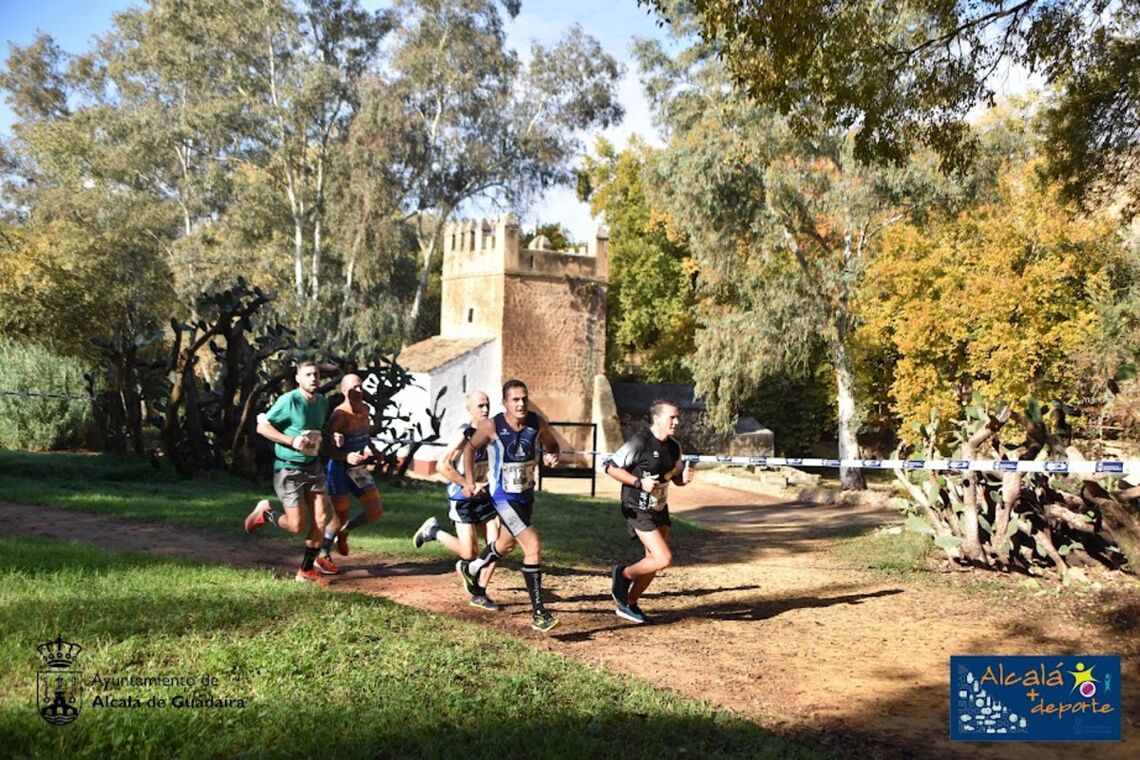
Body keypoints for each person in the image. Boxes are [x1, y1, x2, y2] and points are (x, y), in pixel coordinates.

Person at [456, 379, 561, 632]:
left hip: (525, 495)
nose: (521, 403)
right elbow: (469, 451)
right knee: (532, 544)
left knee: (505, 544)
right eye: (515, 399)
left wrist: (552, 454)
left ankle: (471, 567)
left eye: (524, 398)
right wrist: (469, 481)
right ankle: (539, 613)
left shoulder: (537, 423)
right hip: (502, 496)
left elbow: (553, 444)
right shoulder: (492, 425)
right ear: (505, 403)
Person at [603, 399, 694, 623]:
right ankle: (622, 575)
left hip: (659, 508)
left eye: (677, 417)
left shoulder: (674, 447)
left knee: (652, 562)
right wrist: (638, 483)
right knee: (663, 558)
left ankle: (628, 604)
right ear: (658, 418)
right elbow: (610, 467)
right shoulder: (640, 442)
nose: (676, 421)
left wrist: (684, 479)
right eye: (672, 417)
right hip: (637, 507)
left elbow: (675, 478)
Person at [244, 360, 333, 582]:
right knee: (296, 526)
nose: (314, 378)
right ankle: (265, 513)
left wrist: (333, 436)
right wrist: (290, 440)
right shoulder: (289, 401)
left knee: (322, 518)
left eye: (317, 374)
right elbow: (262, 426)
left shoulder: (322, 402)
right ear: (298, 378)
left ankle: (305, 571)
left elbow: (317, 431)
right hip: (288, 469)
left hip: (313, 467)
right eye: (309, 375)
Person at [412, 390, 502, 611]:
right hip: (462, 497)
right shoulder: (463, 433)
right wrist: (467, 484)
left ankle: (479, 591)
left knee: (497, 544)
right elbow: (442, 465)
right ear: (469, 408)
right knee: (468, 553)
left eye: (487, 404)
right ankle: (434, 532)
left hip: (484, 496)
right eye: (480, 405)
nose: (485, 409)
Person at [318, 373, 383, 570]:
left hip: (358, 469)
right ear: (344, 391)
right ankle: (323, 553)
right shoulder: (339, 415)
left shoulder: (365, 410)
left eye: (360, 387)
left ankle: (345, 532)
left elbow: (365, 435)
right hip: (338, 469)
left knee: (375, 510)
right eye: (354, 387)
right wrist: (345, 457)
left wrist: (373, 448)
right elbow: (325, 448)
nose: (358, 391)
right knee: (340, 515)